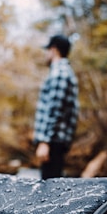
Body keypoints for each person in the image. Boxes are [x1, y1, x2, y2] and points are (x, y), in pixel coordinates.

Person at [34, 34, 79, 179]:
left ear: (54, 50)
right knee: (52, 188)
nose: (46, 54)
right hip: (56, 140)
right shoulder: (63, 72)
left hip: (53, 142)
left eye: (47, 50)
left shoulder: (60, 73)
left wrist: (45, 142)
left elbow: (55, 110)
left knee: (48, 191)